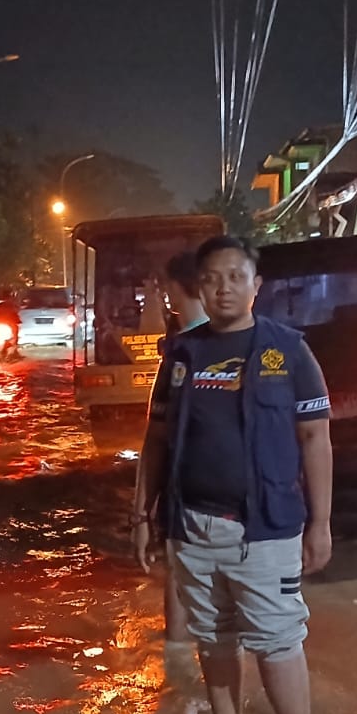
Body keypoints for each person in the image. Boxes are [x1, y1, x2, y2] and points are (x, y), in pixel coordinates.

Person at [132, 236, 334, 714]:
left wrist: (321, 523)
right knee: (214, 637)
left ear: (255, 286)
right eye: (213, 279)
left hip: (264, 530)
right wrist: (142, 516)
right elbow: (155, 441)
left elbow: (315, 438)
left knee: (277, 640)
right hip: (191, 527)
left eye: (235, 277)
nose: (224, 288)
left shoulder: (288, 351)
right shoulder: (180, 354)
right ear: (200, 288)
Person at [146, 250, 210, 645]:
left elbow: (156, 437)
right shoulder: (241, 343)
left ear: (174, 290)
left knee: (181, 577)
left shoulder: (182, 353)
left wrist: (142, 512)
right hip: (230, 503)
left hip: (187, 496)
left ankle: (181, 672)